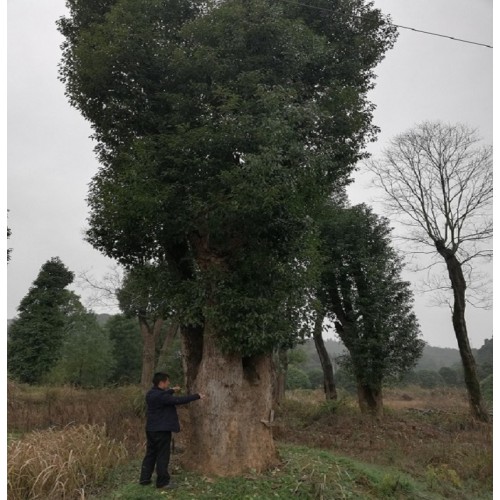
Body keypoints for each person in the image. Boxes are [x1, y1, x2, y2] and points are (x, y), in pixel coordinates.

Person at [139, 372, 205, 489]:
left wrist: (172, 390)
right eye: (167, 381)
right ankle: (162, 482)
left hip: (151, 430)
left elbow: (163, 395)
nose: (169, 383)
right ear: (162, 382)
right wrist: (197, 396)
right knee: (162, 455)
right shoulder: (162, 397)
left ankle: (144, 479)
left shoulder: (150, 393)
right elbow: (179, 400)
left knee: (150, 453)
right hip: (162, 430)